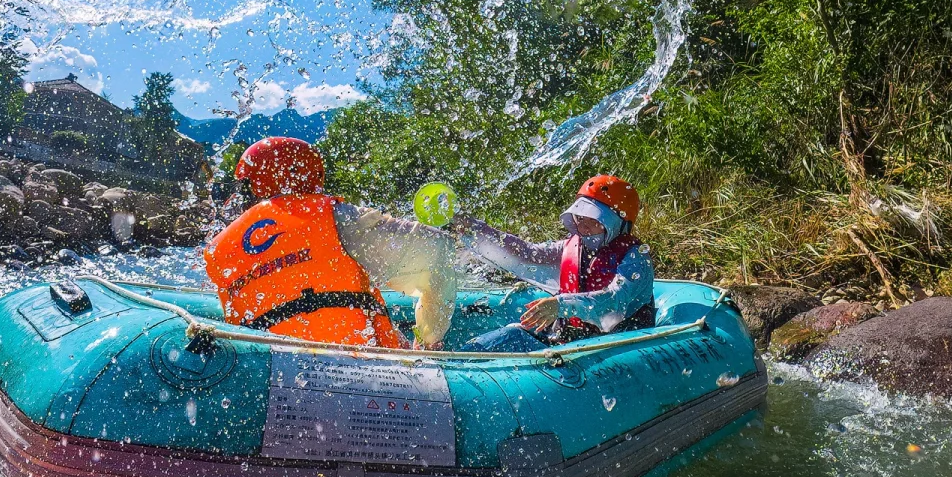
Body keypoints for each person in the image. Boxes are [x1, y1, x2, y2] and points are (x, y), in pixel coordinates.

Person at [204, 137, 457, 349]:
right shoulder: (338, 217)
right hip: (362, 369)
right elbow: (437, 248)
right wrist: (427, 340)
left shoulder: (218, 248)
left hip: (267, 374)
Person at [451, 174, 655, 353]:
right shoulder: (572, 247)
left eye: (592, 218)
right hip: (571, 340)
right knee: (513, 333)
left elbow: (613, 301)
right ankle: (450, 363)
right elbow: (527, 253)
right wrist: (476, 229)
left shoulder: (635, 259)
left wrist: (560, 305)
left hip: (615, 349)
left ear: (616, 222)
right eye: (579, 217)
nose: (581, 226)